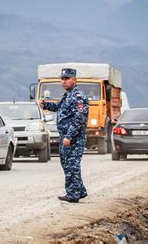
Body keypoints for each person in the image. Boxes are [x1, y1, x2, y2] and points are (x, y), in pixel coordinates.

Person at [39, 68, 89, 203]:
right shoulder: (67, 95)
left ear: (75, 79)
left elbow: (79, 118)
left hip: (74, 137)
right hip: (65, 136)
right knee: (66, 164)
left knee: (72, 164)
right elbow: (59, 108)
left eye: (66, 79)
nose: (63, 81)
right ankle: (80, 190)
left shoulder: (78, 96)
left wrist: (69, 136)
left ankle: (73, 194)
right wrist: (46, 105)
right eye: (62, 79)